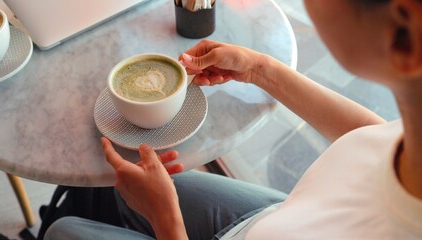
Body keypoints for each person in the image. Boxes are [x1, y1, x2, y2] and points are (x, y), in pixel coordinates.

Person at [44, 0, 422, 239]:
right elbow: (372, 139)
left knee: (63, 231)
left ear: (404, 30)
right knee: (120, 191)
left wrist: (166, 219)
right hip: (275, 218)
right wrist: (258, 68)